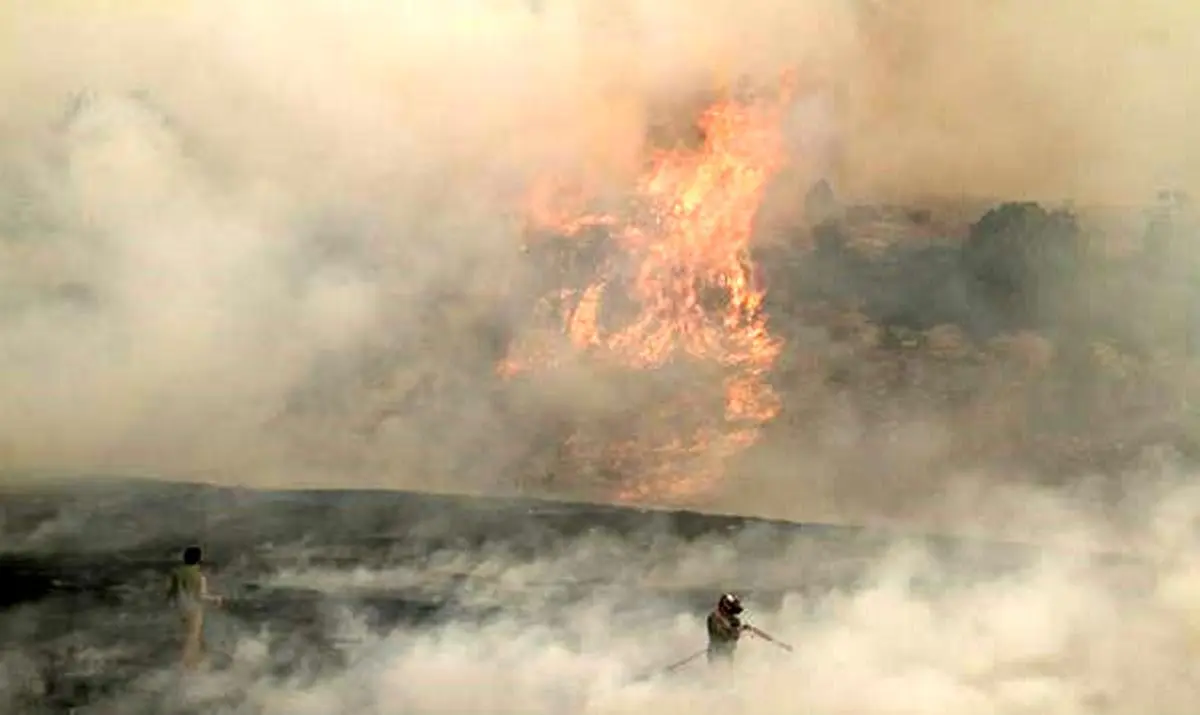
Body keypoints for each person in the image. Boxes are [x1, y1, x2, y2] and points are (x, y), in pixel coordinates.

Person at [166, 545, 222, 669]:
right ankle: (190, 665)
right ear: (198, 559)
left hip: (180, 609)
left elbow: (170, 592)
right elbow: (201, 596)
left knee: (189, 635)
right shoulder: (199, 576)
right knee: (193, 637)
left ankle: (195, 660)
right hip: (194, 609)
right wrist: (215, 599)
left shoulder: (176, 573)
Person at [706, 592, 747, 666]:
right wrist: (734, 630)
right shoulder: (714, 617)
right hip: (716, 653)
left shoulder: (735, 620)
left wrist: (738, 630)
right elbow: (721, 636)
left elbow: (735, 637)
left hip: (728, 653)